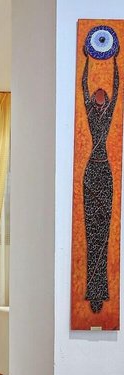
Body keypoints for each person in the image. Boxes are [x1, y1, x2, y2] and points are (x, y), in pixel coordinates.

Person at [81, 38, 119, 313]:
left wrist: (116, 60)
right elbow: (83, 84)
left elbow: (117, 88)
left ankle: (100, 291)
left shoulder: (107, 115)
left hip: (105, 172)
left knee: (103, 234)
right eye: (98, 93)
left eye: (103, 94)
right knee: (90, 232)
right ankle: (92, 290)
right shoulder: (92, 115)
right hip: (92, 171)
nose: (101, 93)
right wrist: (86, 61)